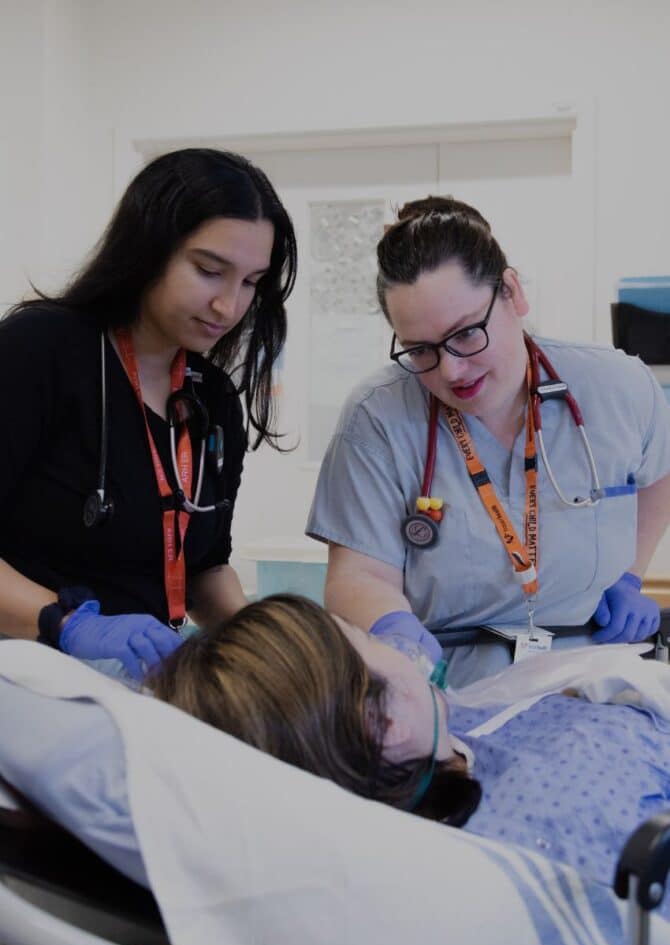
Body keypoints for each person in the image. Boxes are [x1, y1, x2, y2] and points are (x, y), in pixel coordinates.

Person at [306, 196, 670, 689]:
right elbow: (357, 576)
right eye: (421, 350)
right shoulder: (378, 417)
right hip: (449, 688)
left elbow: (660, 469)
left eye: (466, 334)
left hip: (589, 682)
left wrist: (630, 574)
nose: (452, 370)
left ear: (513, 293)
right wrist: (394, 631)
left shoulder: (616, 387)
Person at [151, 592, 670, 906]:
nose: (398, 647)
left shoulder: (448, 732)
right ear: (387, 720)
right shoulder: (558, 823)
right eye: (368, 637)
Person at [0, 148, 297, 681]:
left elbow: (204, 569)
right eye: (210, 271)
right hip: (24, 684)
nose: (229, 307)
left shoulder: (213, 399)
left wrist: (276, 644)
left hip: (139, 691)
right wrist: (63, 622)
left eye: (251, 282)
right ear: (147, 251)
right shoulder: (41, 351)